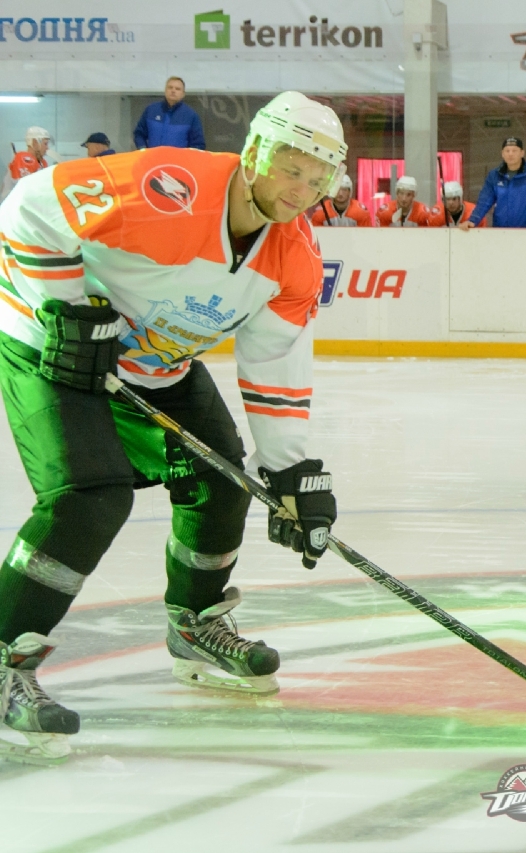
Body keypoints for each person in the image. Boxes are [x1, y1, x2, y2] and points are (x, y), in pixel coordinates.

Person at [0, 91, 345, 764]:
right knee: (89, 496)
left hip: (157, 364)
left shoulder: (295, 258)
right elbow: (31, 206)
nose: (301, 190)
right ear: (254, 152)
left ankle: (194, 624)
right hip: (52, 345)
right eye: (291, 168)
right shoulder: (172, 185)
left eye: (318, 178)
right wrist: (65, 307)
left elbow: (275, 363)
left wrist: (289, 471)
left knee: (223, 484)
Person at [462, 137, 526, 230]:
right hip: (501, 231)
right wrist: (472, 220)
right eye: (507, 151)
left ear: (522, 153)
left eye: (514, 150)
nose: (510, 154)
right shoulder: (494, 175)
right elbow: (484, 201)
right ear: (502, 154)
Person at [133, 77, 206, 151]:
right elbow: (139, 134)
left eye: (177, 89)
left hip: (177, 158)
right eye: (170, 87)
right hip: (153, 158)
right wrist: (142, 149)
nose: (173, 91)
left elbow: (198, 145)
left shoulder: (191, 116)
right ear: (165, 90)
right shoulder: (151, 110)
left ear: (183, 94)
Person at [1, 126, 51, 203]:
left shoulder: (43, 163)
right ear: (35, 142)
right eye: (45, 144)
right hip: (11, 206)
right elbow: (26, 189)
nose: (47, 148)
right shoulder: (22, 158)